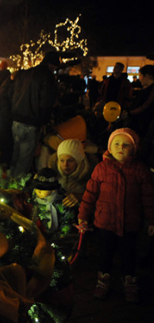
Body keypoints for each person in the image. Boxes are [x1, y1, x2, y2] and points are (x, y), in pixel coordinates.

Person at [78, 128, 154, 303]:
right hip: (105, 222)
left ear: (134, 149)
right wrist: (83, 215)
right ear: (109, 147)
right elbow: (90, 194)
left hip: (130, 223)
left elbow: (149, 198)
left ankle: (129, 281)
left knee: (129, 255)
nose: (121, 147)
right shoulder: (101, 169)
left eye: (126, 145)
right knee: (105, 253)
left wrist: (152, 220)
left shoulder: (140, 171)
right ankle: (103, 280)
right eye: (117, 144)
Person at [10, 51, 60, 177]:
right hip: (31, 122)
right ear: (52, 65)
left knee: (15, 157)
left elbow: (12, 94)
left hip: (17, 120)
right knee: (24, 161)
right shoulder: (47, 76)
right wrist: (45, 121)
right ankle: (16, 190)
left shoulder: (26, 73)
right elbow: (46, 101)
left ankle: (8, 184)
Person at [47, 139, 94, 207]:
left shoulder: (92, 175)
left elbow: (97, 196)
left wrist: (80, 196)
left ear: (78, 161)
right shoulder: (52, 173)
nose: (65, 165)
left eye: (70, 160)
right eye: (62, 160)